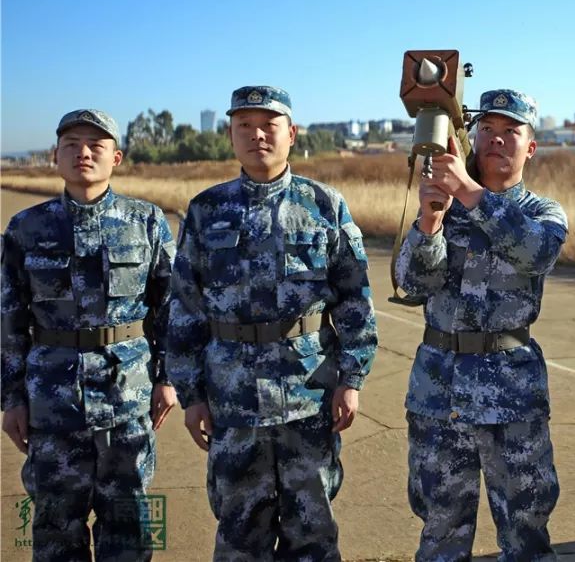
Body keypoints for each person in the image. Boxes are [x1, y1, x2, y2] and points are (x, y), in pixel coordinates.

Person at [167, 86, 378, 560]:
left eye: (269, 124)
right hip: (232, 398)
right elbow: (184, 310)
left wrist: (352, 378)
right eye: (245, 125)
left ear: (291, 133)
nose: (257, 134)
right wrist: (191, 395)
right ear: (230, 134)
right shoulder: (206, 210)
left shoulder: (324, 204)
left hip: (309, 394)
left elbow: (354, 300)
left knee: (314, 532)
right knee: (240, 533)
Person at [394, 89, 567, 561]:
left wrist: (469, 194)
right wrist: (430, 220)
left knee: (526, 529)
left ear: (530, 146)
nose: (497, 139)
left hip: (511, 395)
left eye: (511, 131)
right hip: (440, 391)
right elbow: (411, 283)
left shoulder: (542, 213)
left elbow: (537, 252)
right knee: (440, 528)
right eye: (487, 129)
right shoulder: (445, 207)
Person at [1, 109, 176, 560]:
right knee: (56, 529)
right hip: (53, 405)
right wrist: (12, 397)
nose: (83, 153)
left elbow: (172, 309)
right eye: (72, 144)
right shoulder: (26, 229)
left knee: (129, 529)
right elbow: (9, 319)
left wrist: (169, 378)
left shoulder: (147, 223)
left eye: (95, 145)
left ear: (115, 157)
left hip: (126, 400)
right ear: (55, 155)